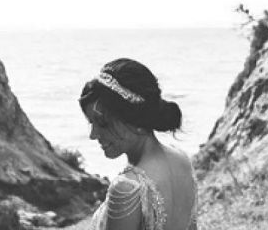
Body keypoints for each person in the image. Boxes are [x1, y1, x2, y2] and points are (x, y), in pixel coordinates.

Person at [79, 58, 198, 230]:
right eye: (91, 123)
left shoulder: (127, 188)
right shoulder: (182, 160)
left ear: (136, 121)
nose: (93, 135)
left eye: (103, 123)